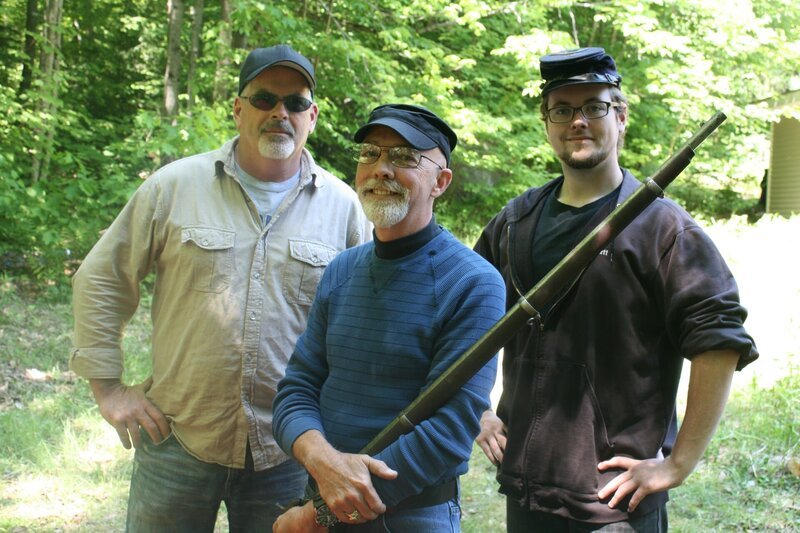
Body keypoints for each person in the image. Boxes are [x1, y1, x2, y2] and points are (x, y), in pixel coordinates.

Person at [70, 44, 371, 532]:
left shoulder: (344, 208)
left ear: (312, 116)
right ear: (237, 108)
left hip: (290, 451)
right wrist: (107, 387)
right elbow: (103, 277)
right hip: (177, 440)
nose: (280, 113)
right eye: (263, 99)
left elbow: (368, 320)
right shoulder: (173, 187)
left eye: (295, 103)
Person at [474, 47, 758, 531]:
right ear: (546, 123)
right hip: (526, 491)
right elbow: (470, 319)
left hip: (612, 504)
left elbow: (720, 342)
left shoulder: (663, 230)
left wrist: (677, 463)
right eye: (562, 110)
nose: (577, 121)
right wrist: (476, 409)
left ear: (620, 116)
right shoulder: (514, 222)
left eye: (594, 107)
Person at [271, 104, 506, 532]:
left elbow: (449, 431)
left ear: (441, 182)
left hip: (412, 516)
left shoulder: (473, 283)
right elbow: (297, 388)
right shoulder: (341, 270)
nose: (381, 168)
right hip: (321, 498)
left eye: (403, 157)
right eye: (370, 154)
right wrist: (322, 464)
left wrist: (320, 510)